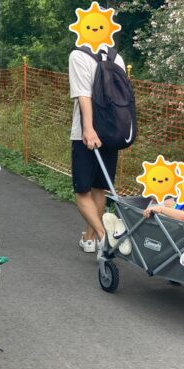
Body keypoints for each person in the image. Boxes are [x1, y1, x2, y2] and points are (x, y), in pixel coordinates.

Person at [69, 45, 127, 252]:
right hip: (112, 132)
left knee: (82, 191)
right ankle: (88, 238)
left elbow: (83, 94)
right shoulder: (115, 57)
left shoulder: (79, 55)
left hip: (87, 133)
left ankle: (103, 237)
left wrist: (88, 128)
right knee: (99, 187)